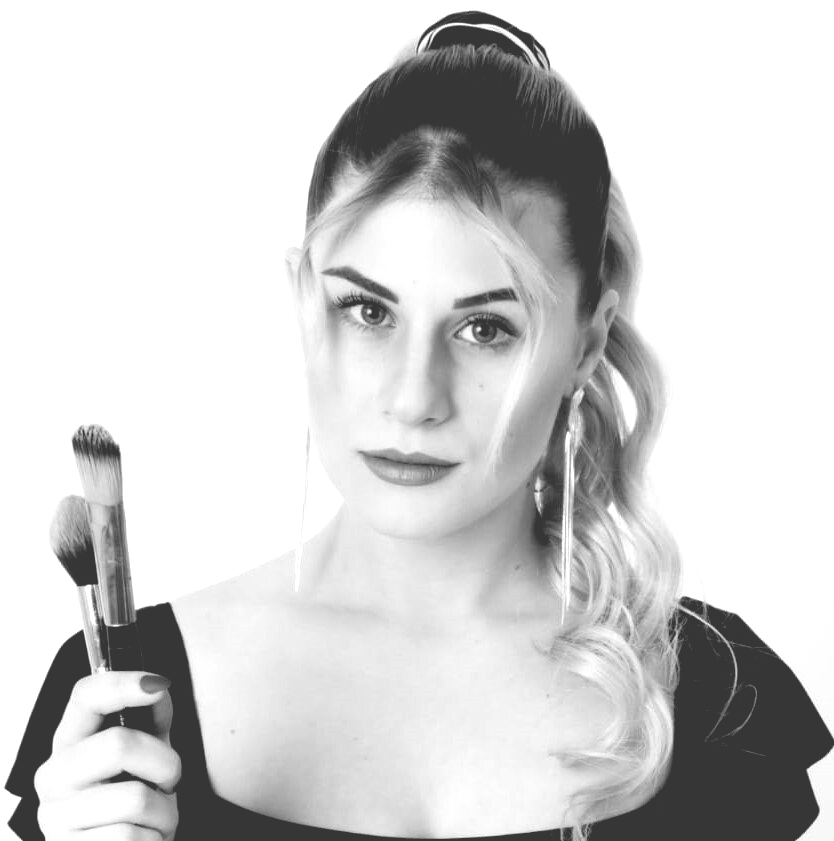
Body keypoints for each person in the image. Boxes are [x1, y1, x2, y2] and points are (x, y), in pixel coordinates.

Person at [5, 10, 832, 841]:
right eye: (368, 310)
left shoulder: (723, 697)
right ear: (303, 302)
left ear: (586, 344)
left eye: (486, 328)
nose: (413, 397)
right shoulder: (115, 704)